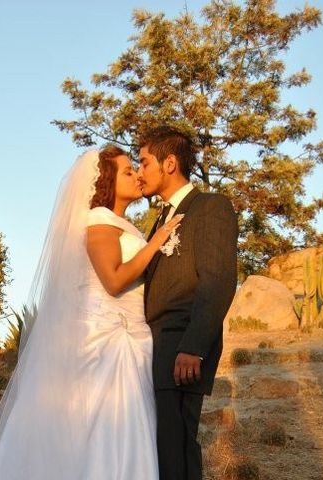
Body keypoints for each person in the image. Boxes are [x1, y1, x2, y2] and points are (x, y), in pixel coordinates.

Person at [0, 145, 182, 480]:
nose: (137, 175)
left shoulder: (121, 223)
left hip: (132, 337)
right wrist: (157, 242)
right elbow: (114, 279)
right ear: (105, 182)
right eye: (127, 171)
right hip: (108, 342)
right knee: (107, 430)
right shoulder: (98, 221)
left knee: (122, 429)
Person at [138, 126, 238, 480]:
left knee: (177, 451)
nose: (139, 172)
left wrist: (193, 347)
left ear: (169, 163)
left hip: (180, 348)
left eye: (144, 162)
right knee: (164, 451)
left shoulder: (211, 207)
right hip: (156, 347)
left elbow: (218, 281)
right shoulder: (160, 221)